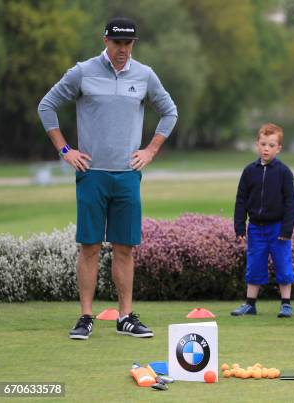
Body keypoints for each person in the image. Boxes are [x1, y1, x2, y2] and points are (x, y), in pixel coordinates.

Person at [37, 17, 178, 340]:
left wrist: (151, 151)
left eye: (128, 44)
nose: (123, 50)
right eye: (117, 44)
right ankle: (86, 316)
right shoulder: (83, 72)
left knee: (124, 248)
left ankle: (125, 316)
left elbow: (170, 111)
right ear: (106, 41)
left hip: (128, 175)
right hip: (91, 174)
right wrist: (65, 150)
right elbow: (47, 106)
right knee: (89, 247)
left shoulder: (144, 75)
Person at [231, 123, 294, 318]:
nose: (266, 148)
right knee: (254, 264)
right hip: (255, 229)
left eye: (271, 145)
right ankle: (250, 304)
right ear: (257, 145)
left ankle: (286, 304)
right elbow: (240, 200)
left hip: (278, 229)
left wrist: (287, 230)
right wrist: (239, 227)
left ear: (279, 148)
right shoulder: (249, 171)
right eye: (263, 144)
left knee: (283, 265)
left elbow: (290, 201)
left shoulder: (284, 172)